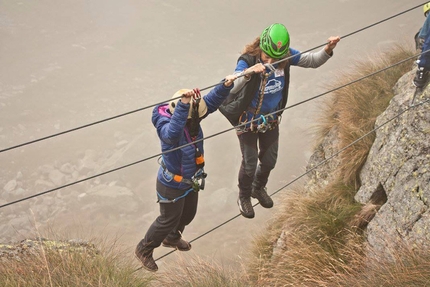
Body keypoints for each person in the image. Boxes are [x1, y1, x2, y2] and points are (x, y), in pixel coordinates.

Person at [220, 23, 340, 219]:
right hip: (248, 121)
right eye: (267, 56)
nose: (271, 60)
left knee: (269, 160)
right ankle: (244, 196)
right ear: (261, 46)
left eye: (276, 57)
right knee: (249, 163)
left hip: (271, 119)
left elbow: (311, 61)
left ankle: (257, 188)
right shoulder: (247, 59)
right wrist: (249, 72)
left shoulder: (285, 56)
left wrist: (328, 49)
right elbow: (231, 85)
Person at [135, 74, 237, 272]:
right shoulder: (166, 127)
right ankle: (144, 249)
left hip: (189, 179)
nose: (200, 119)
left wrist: (225, 85)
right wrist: (183, 105)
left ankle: (172, 238)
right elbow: (172, 135)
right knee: (167, 220)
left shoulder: (192, 117)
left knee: (189, 214)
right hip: (171, 182)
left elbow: (211, 102)